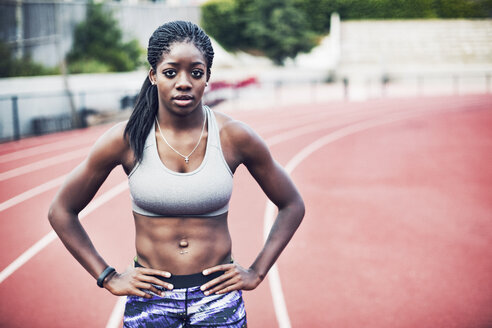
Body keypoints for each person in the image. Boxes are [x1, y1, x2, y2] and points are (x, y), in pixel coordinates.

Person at [48, 21, 305, 328]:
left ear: (207, 77)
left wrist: (257, 271)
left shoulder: (234, 137)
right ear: (153, 75)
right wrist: (107, 276)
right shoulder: (127, 139)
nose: (184, 82)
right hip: (151, 298)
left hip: (217, 297)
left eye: (196, 72)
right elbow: (61, 211)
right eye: (171, 72)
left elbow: (292, 204)